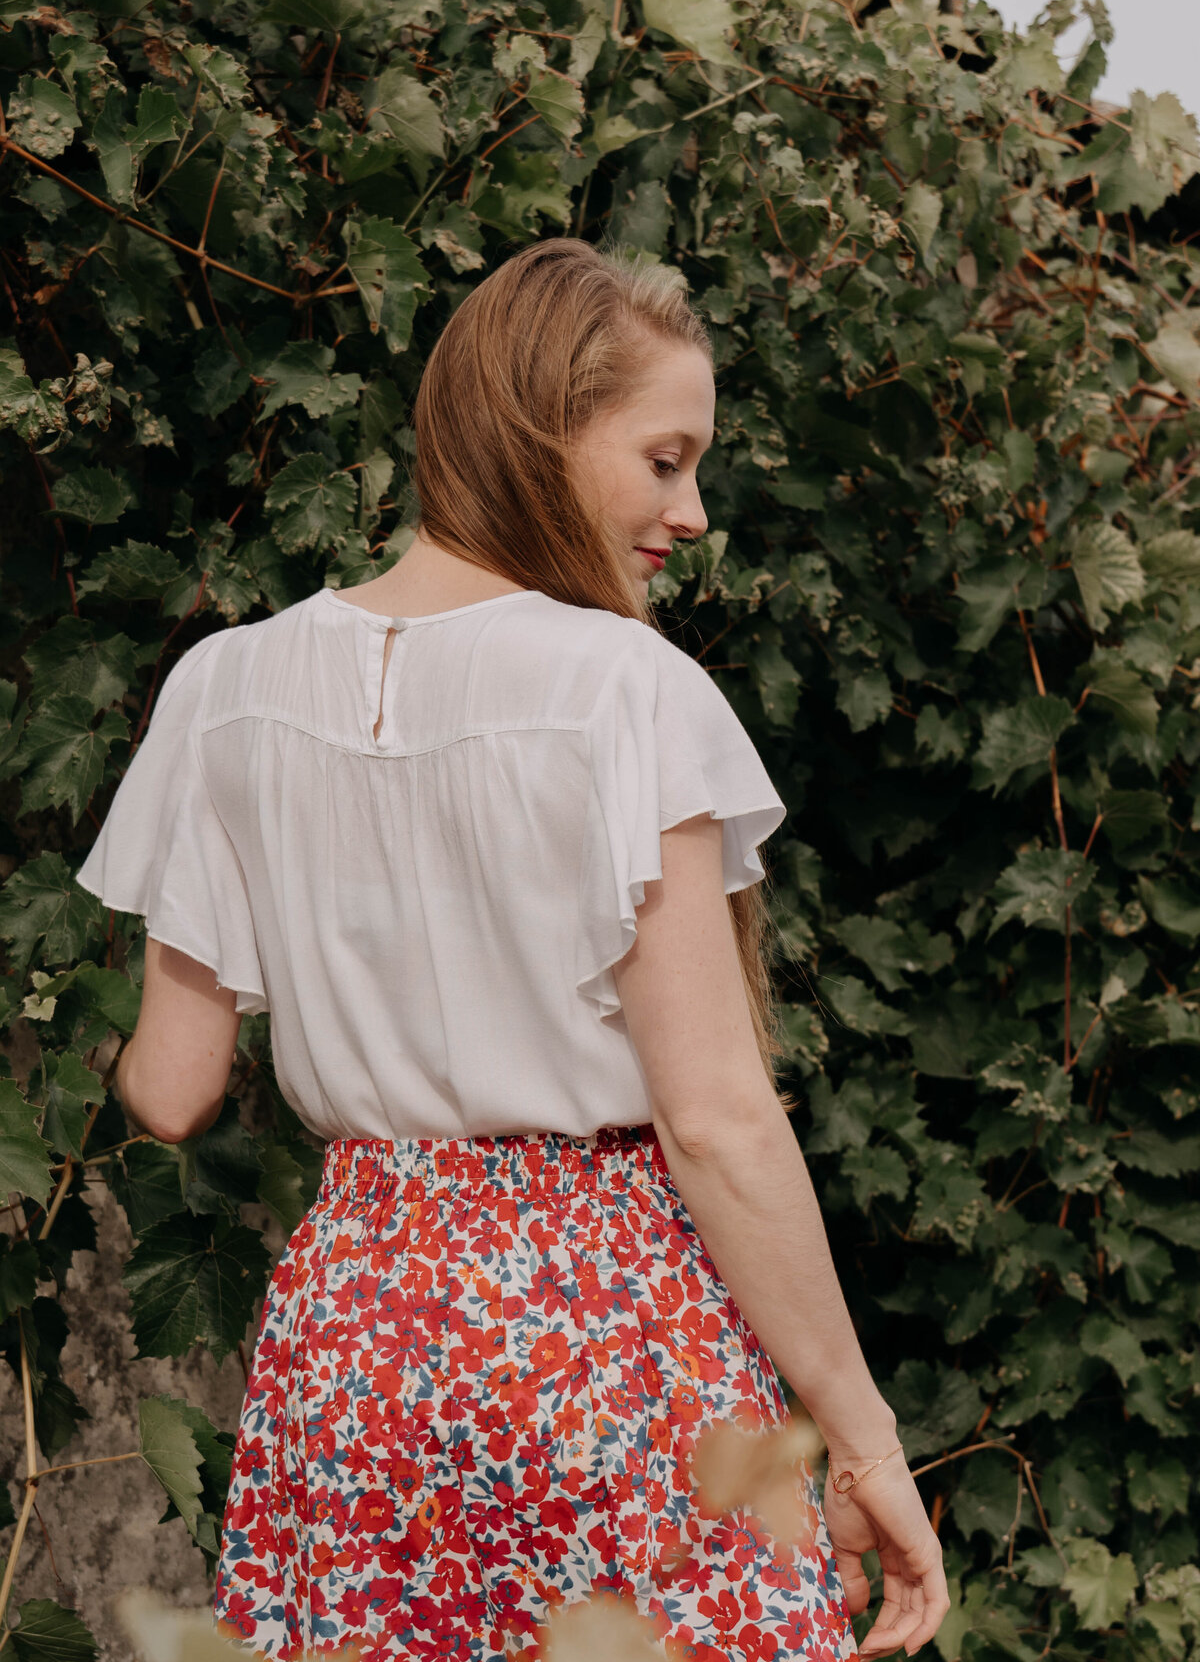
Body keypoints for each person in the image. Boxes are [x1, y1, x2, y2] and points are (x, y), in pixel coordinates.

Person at [75, 237, 948, 1661]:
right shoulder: (626, 691)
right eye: (665, 461)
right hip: (602, 1329)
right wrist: (864, 1443)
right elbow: (719, 1119)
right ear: (543, 431)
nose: (696, 509)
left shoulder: (224, 690)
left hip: (357, 1332)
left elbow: (168, 1092)